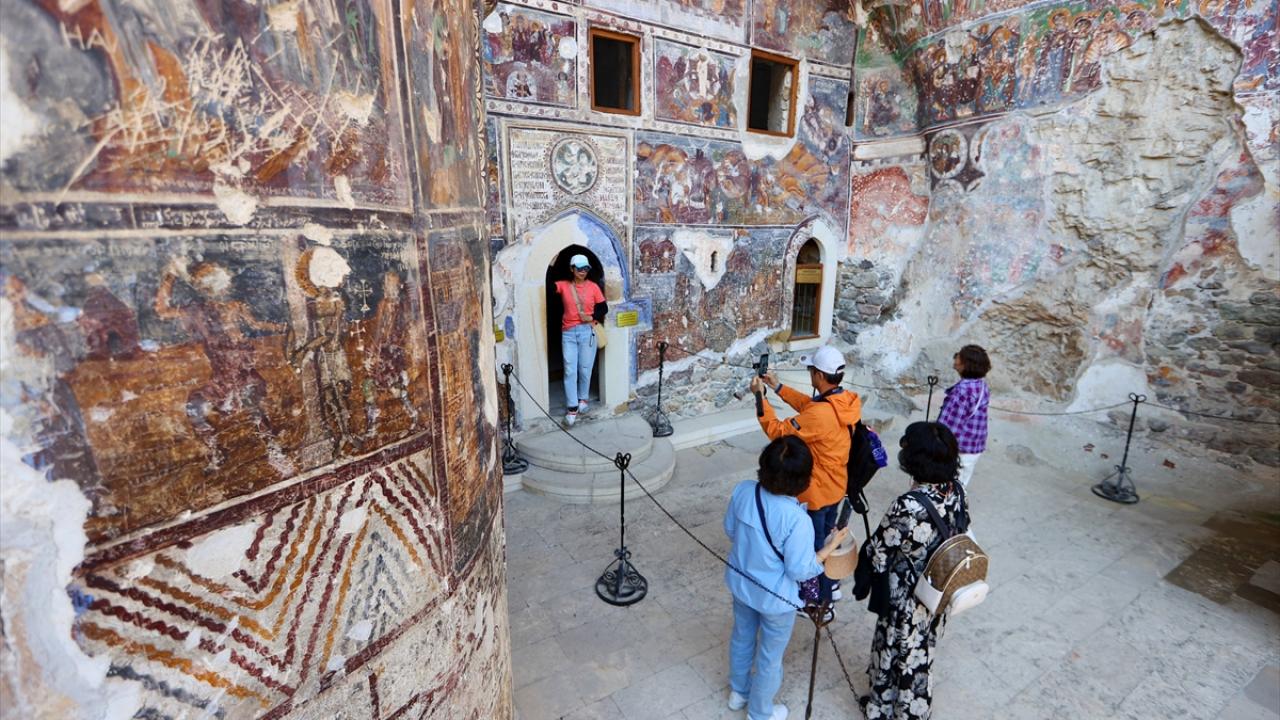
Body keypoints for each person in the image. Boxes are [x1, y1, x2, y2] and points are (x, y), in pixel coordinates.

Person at [724, 436, 850, 720]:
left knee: (742, 637)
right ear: (803, 479)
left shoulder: (743, 490)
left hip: (742, 585)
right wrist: (829, 547)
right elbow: (800, 570)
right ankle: (760, 712)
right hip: (776, 600)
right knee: (770, 657)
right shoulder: (797, 519)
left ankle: (738, 693)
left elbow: (730, 530)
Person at [853, 422, 969, 720]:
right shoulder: (956, 490)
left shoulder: (908, 505)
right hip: (938, 584)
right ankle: (911, 706)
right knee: (921, 646)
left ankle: (887, 708)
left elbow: (879, 552)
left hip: (906, 594)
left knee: (897, 648)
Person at [752, 345, 861, 611]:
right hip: (836, 486)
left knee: (812, 549)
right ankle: (831, 585)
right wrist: (778, 387)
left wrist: (760, 398)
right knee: (827, 539)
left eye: (811, 370)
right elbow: (811, 407)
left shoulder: (821, 414)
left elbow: (778, 432)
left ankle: (818, 599)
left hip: (816, 493)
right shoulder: (844, 400)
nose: (810, 373)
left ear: (819, 375)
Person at [553, 254, 607, 426]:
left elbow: (603, 308)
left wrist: (591, 317)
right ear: (572, 269)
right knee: (570, 370)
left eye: (586, 268)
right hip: (568, 333)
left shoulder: (593, 287)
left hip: (587, 332)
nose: (583, 271)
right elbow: (546, 288)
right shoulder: (563, 285)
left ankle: (583, 399)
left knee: (585, 368)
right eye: (579, 268)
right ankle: (572, 407)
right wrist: (552, 262)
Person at [936, 344, 991, 488]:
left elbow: (948, 427)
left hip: (959, 449)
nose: (955, 358)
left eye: (958, 356)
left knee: (944, 488)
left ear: (965, 364)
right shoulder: (982, 385)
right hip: (974, 446)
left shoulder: (962, 390)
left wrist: (935, 444)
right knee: (960, 487)